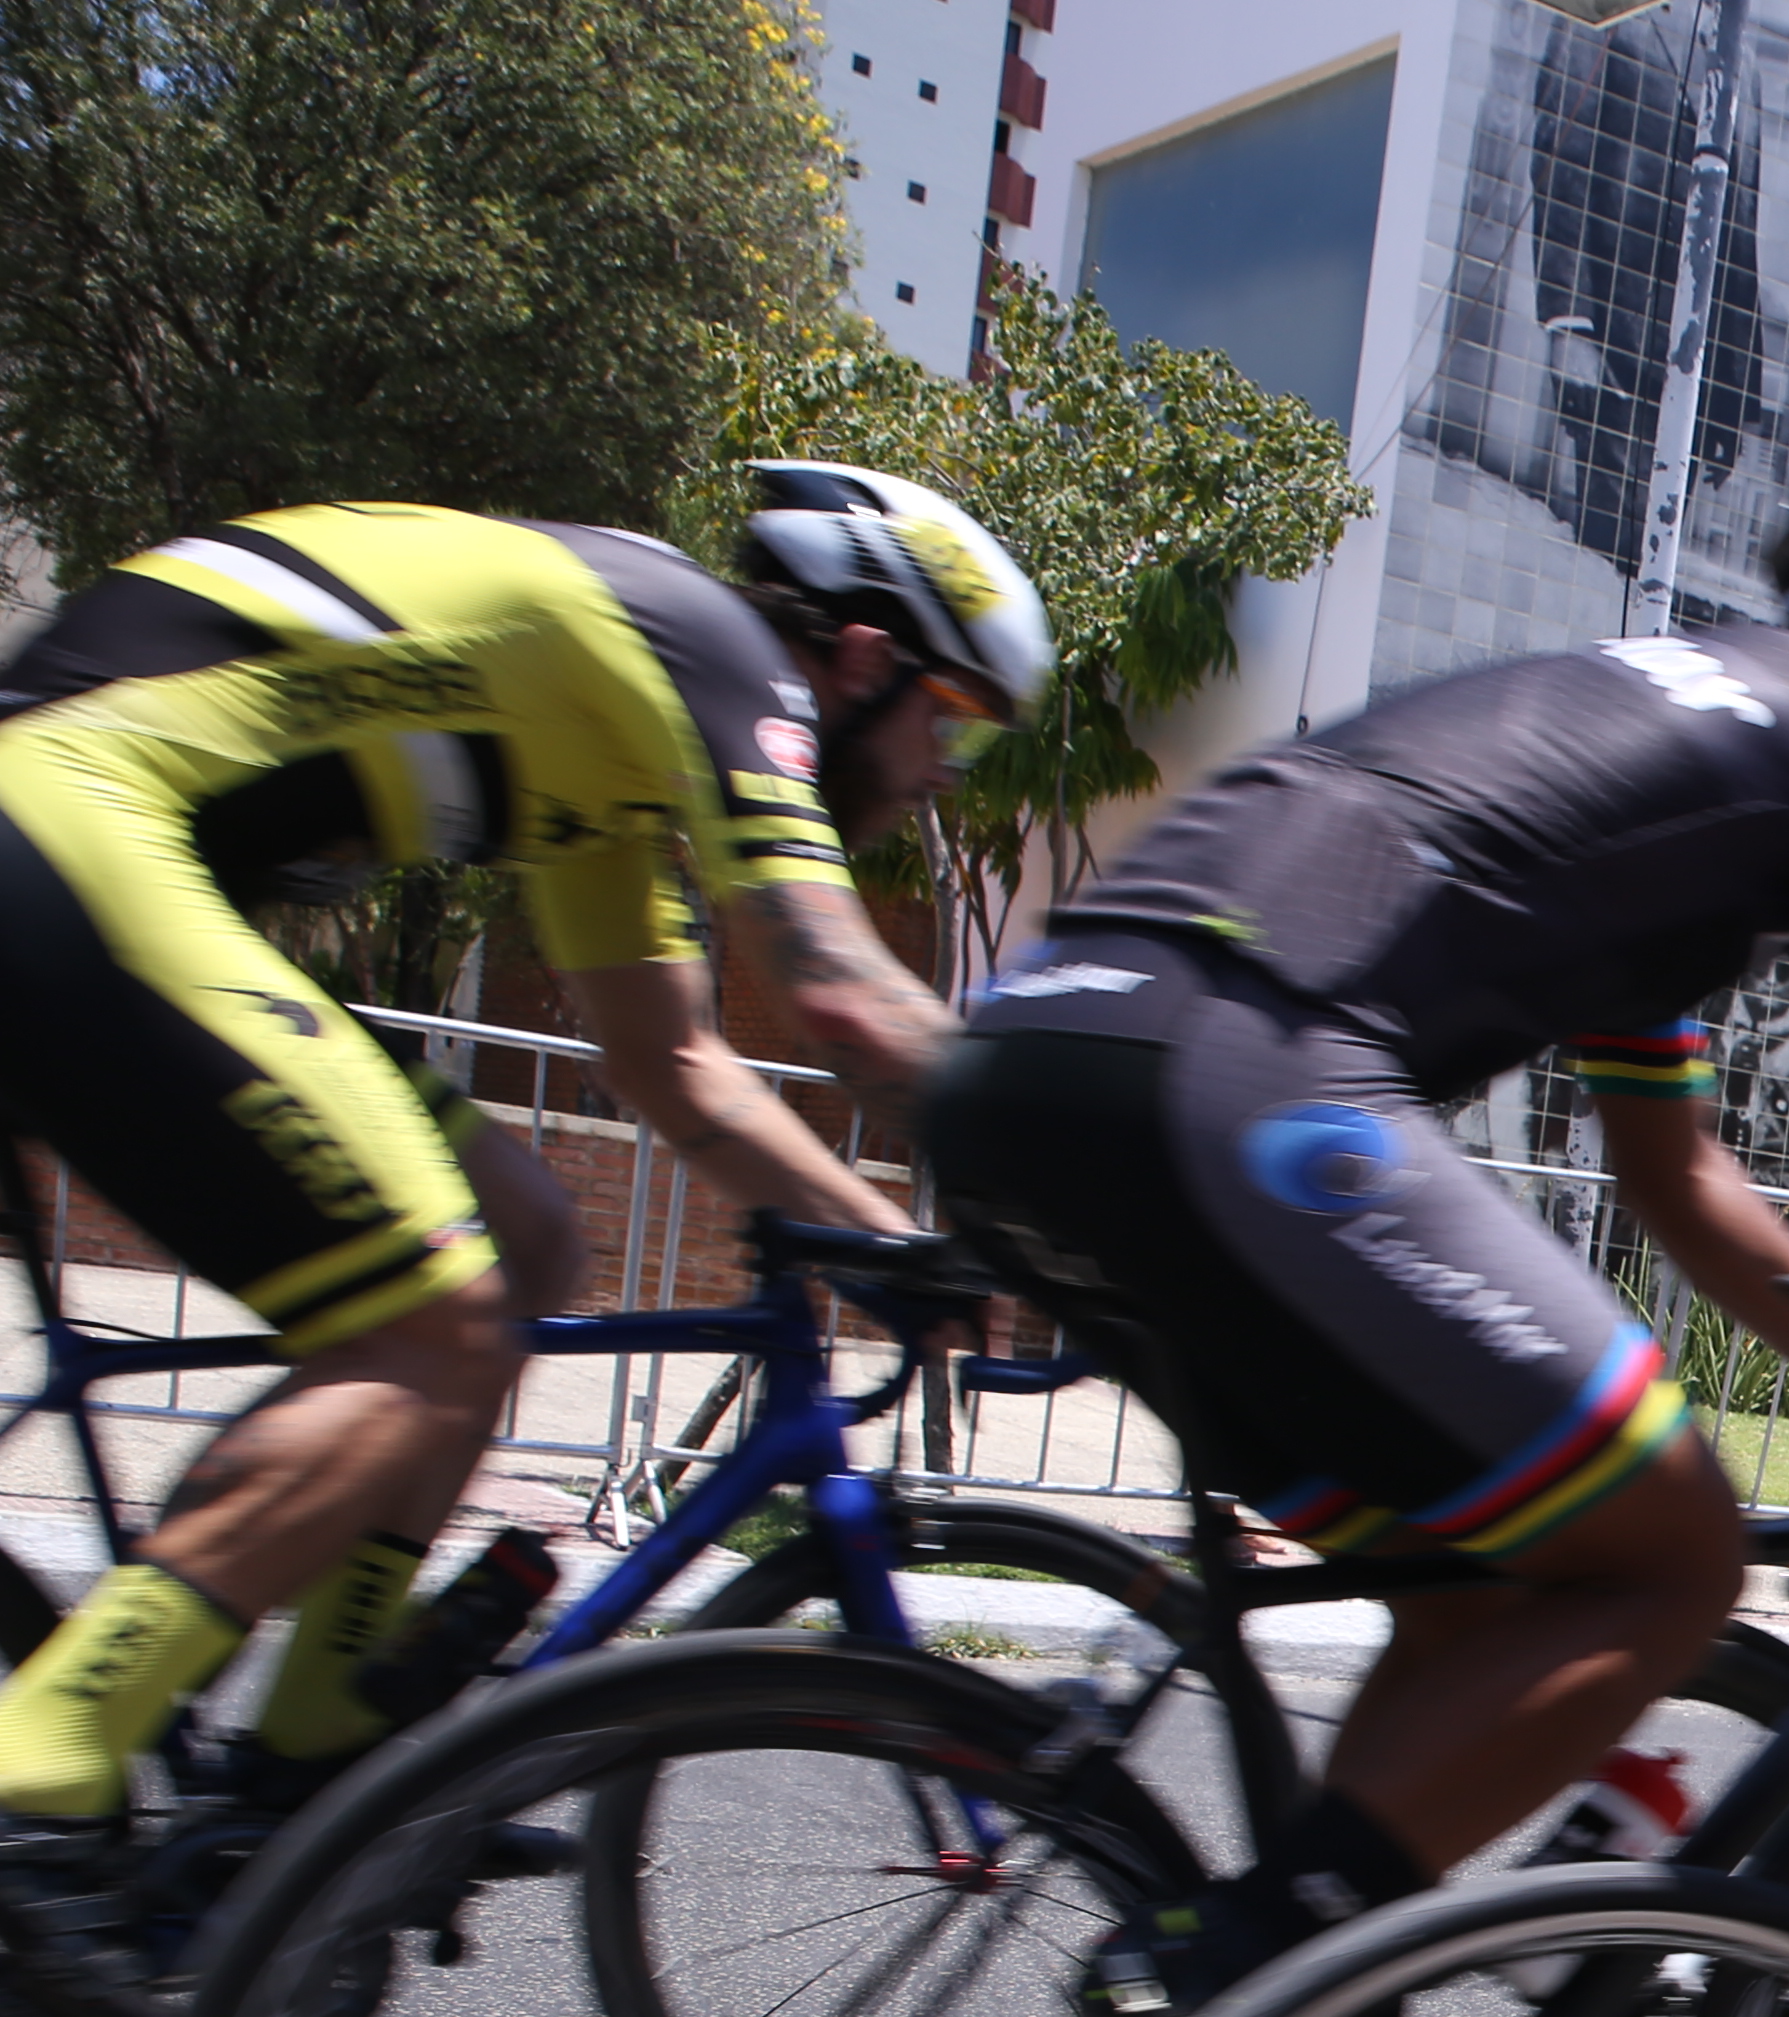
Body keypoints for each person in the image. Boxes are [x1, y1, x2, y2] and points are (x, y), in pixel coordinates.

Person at [925, 453, 1789, 2017]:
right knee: (1672, 1556)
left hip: (1025, 1070)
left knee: (1486, 1572)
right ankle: (1234, 1987)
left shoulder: (1672, 768)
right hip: (1237, 1071)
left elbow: (1674, 1179)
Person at [0, 467, 1032, 1917]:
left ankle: (312, 1737)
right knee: (434, 1318)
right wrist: (1071, 1191)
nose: (942, 772)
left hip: (88, 842)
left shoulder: (607, 769)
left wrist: (892, 1247)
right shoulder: (716, 653)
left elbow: (680, 1068)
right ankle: (42, 1755)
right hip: (68, 821)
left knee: (530, 1238)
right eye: (955, 723)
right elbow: (839, 990)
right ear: (867, 656)